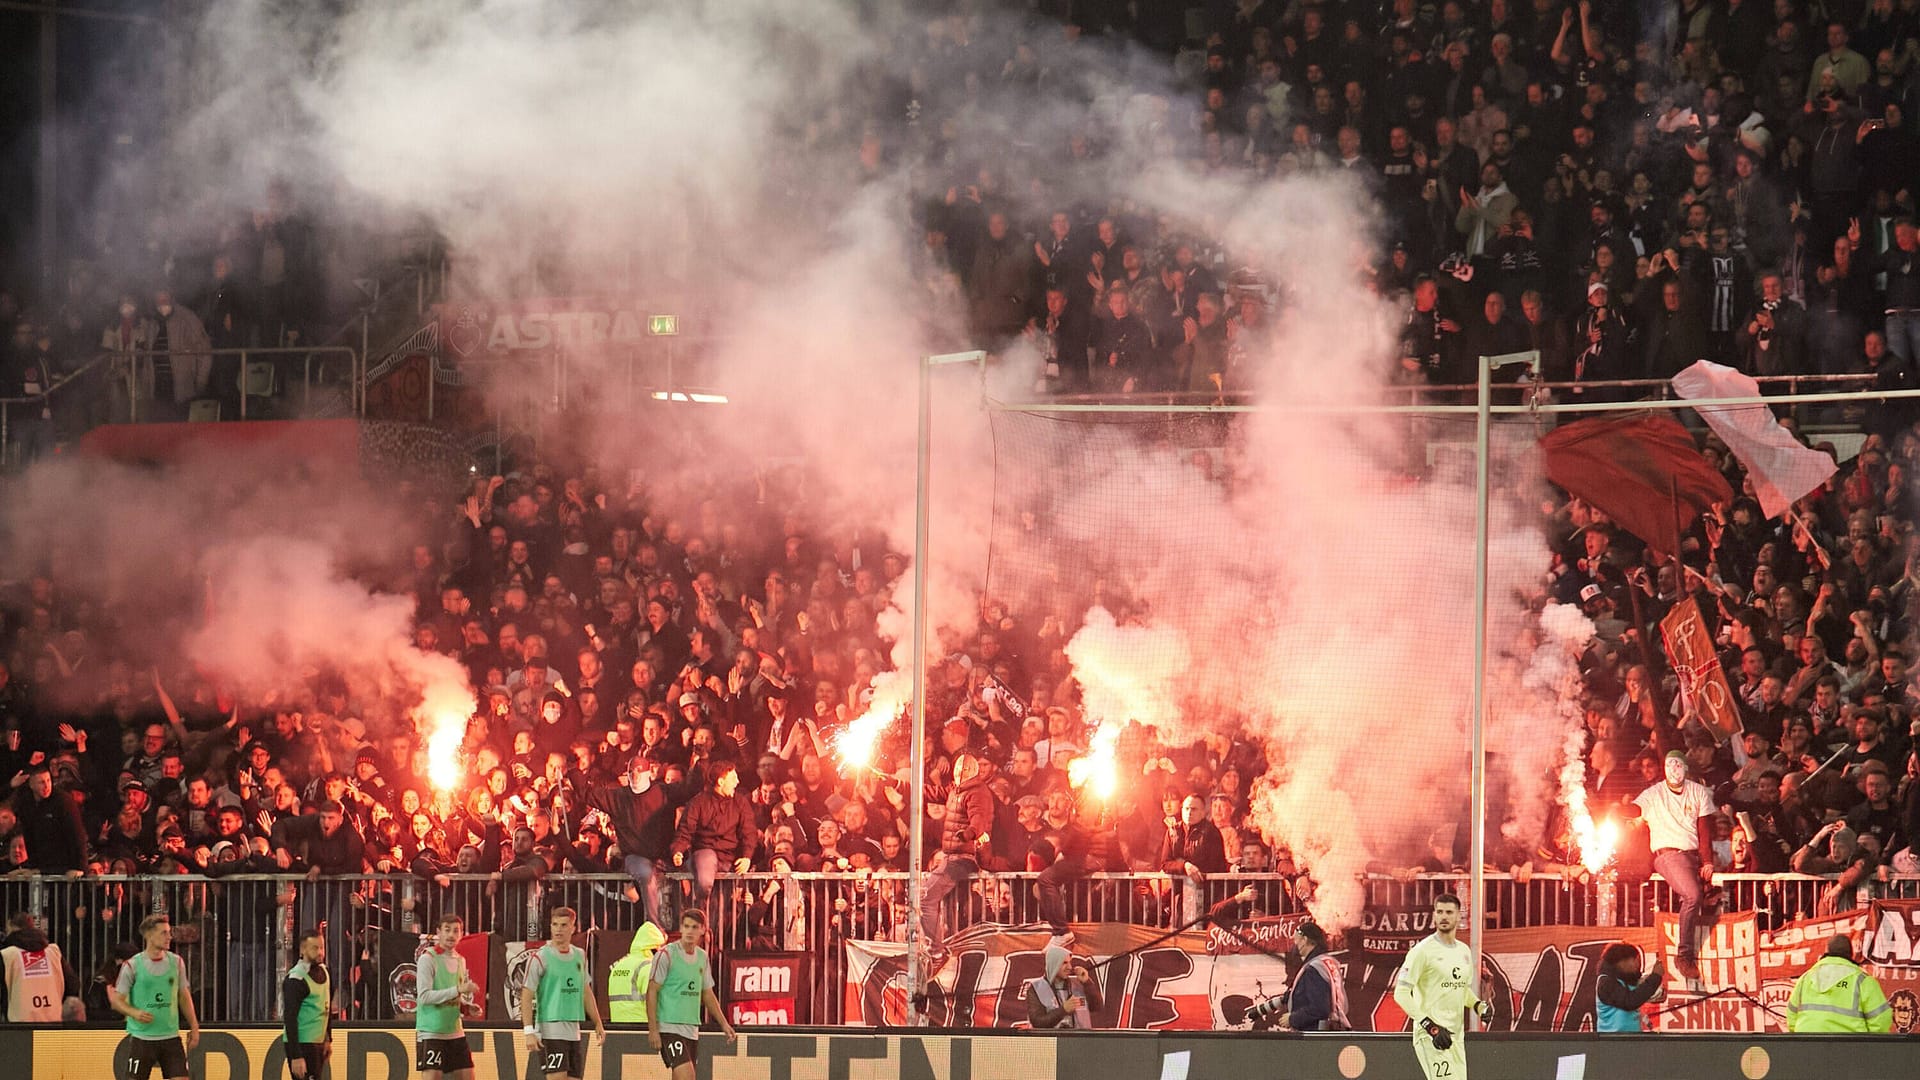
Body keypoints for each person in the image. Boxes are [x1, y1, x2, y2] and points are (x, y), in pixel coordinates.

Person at [1631, 750, 1717, 982]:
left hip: (1692, 855)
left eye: (1678, 765)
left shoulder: (1699, 792)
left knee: (1697, 897)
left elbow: (1704, 831)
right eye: (1670, 765)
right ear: (1664, 769)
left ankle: (1690, 952)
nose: (1674, 770)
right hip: (1668, 854)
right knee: (1692, 895)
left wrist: (1707, 860)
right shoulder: (1653, 793)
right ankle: (1684, 954)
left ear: (1686, 768)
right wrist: (1620, 812)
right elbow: (1635, 810)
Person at [1393, 894, 1493, 1080]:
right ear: (1434, 916)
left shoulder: (1463, 951)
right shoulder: (1422, 951)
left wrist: (1478, 1006)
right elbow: (1401, 993)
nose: (1444, 917)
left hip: (1455, 1036)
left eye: (1449, 912)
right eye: (1439, 912)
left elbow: (1460, 990)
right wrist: (1430, 1027)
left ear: (1458, 916)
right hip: (1432, 1036)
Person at [646, 911, 737, 1080]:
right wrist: (653, 1029)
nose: (689, 931)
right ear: (680, 928)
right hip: (669, 1027)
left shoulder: (702, 957)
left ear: (703, 930)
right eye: (686, 926)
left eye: (694, 927)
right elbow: (651, 991)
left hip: (691, 1028)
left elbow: (708, 994)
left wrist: (724, 1024)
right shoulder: (666, 955)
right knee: (687, 1076)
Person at [108, 914, 200, 1080]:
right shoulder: (132, 966)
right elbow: (116, 1001)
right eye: (163, 933)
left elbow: (184, 996)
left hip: (170, 1037)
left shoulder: (177, 962)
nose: (169, 937)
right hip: (142, 1039)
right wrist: (134, 1013)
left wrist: (194, 1026)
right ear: (149, 936)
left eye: (169, 932)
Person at [519, 907, 606, 1080]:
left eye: (564, 925)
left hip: (573, 1029)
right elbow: (526, 994)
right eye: (555, 924)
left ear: (573, 928)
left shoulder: (579, 955)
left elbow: (585, 991)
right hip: (550, 1028)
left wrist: (598, 1022)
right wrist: (528, 1031)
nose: (559, 929)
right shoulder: (540, 957)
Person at [416, 914, 480, 1080]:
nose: (451, 935)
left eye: (456, 931)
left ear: (461, 934)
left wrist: (466, 1007)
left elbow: (453, 994)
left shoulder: (460, 960)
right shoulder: (427, 959)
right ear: (438, 932)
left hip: (455, 1032)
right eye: (447, 930)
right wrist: (458, 989)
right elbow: (424, 996)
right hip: (432, 1032)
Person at [1787, 934, 1892, 1032]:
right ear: (1851, 954)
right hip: (1850, 1047)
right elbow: (1881, 1020)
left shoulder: (1806, 978)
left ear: (1827, 951)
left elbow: (1791, 1016)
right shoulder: (1863, 981)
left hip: (1807, 1044)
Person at [1, 911, 79, 1022]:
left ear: (10, 927)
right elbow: (73, 985)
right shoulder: (53, 952)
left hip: (19, 1028)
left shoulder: (8, 955)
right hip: (52, 1023)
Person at [281, 929, 331, 1079]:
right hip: (303, 1044)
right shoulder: (296, 979)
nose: (320, 952)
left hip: (318, 1042)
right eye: (315, 948)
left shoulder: (325, 971)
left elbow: (325, 1006)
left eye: (322, 947)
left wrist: (328, 1039)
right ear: (303, 949)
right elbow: (290, 1018)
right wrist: (296, 1056)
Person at [1282, 922, 1350, 1031]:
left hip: (1315, 1036)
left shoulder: (1313, 968)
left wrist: (1292, 1019)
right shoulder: (1328, 962)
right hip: (1333, 1029)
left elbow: (1319, 1008)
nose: (1295, 944)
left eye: (1296, 940)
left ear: (1304, 940)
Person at [1025, 940, 1103, 1029]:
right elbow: (1037, 1022)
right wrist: (1063, 1010)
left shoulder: (1079, 983)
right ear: (1054, 964)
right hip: (1051, 1041)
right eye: (1064, 963)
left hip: (1080, 1041)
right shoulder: (1037, 988)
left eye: (1070, 962)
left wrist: (1087, 983)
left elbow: (1097, 1007)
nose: (1070, 967)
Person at [605, 921, 668, 1026]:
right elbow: (654, 1002)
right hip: (642, 1026)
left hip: (617, 1026)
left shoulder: (618, 965)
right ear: (654, 946)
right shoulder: (648, 966)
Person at [1595, 943, 1664, 1031]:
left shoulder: (1625, 982)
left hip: (1631, 1039)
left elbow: (1640, 996)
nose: (1637, 964)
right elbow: (1630, 1001)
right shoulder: (1606, 982)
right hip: (1612, 1040)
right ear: (1621, 961)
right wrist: (1655, 977)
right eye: (1635, 960)